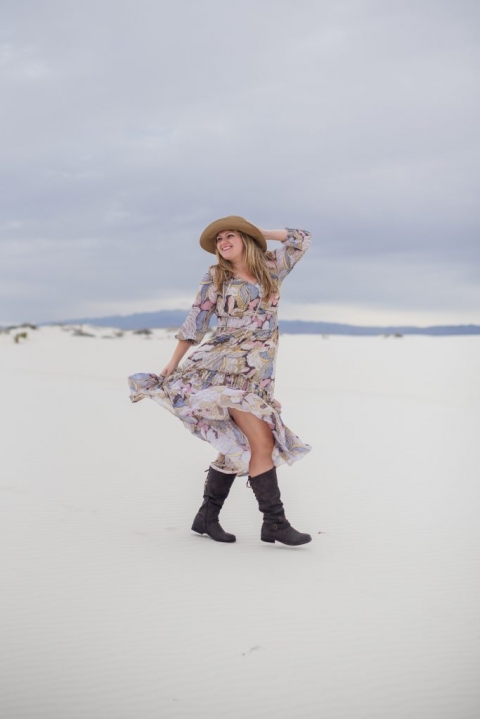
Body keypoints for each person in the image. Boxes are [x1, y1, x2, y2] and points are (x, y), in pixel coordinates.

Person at [128, 216, 313, 546]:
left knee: (237, 444)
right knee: (262, 442)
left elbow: (301, 238)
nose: (223, 242)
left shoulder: (272, 266)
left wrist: (261, 233)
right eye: (219, 240)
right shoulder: (217, 276)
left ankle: (206, 518)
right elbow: (195, 320)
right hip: (221, 368)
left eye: (230, 236)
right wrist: (173, 363)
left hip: (259, 372)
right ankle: (274, 522)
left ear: (246, 239)